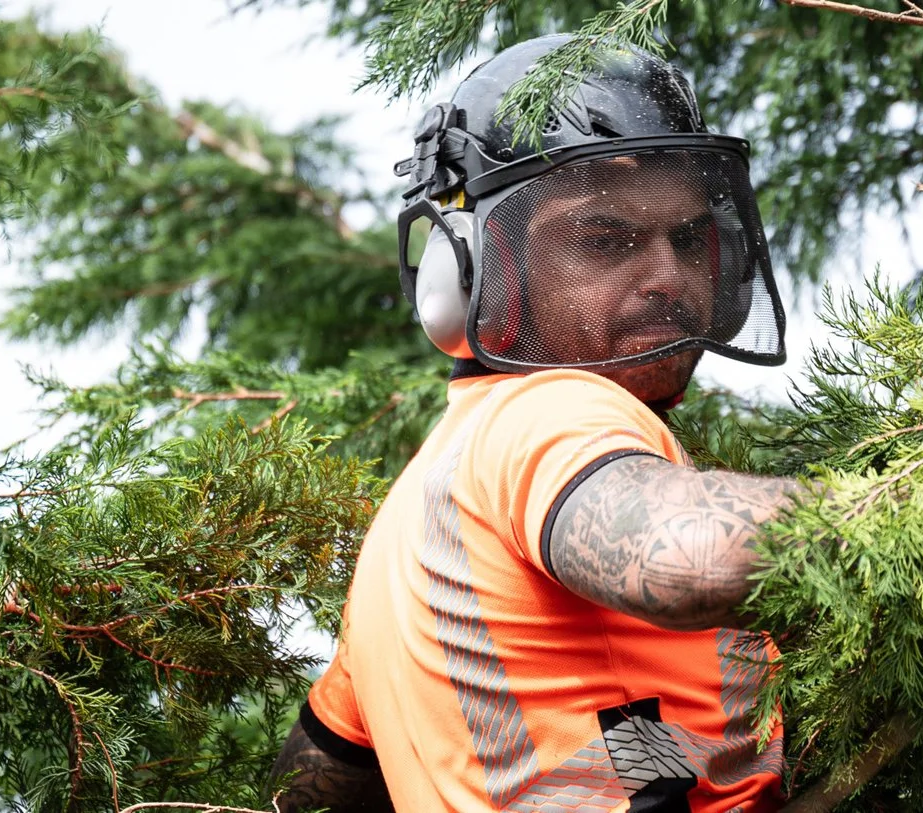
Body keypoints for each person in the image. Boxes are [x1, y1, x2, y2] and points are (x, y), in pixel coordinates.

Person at [268, 34, 806, 813]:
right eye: (605, 239)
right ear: (481, 270)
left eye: (688, 238)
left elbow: (305, 790)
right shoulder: (550, 412)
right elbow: (692, 557)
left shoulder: (418, 511)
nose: (668, 276)